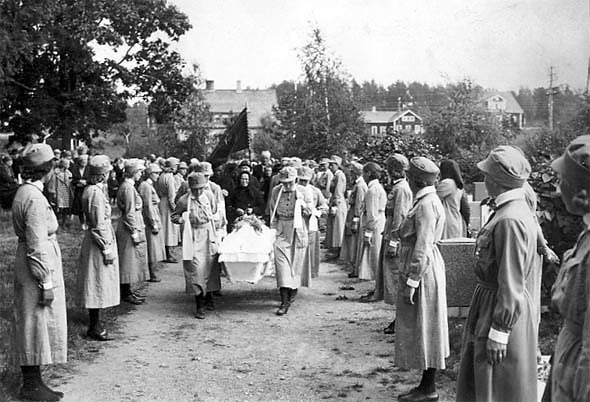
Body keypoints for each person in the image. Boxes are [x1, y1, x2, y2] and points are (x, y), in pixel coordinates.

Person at [455, 146, 538, 402]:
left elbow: (511, 280)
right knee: (489, 382)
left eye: (487, 174)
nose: (484, 179)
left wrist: (500, 332)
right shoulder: (509, 211)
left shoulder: (509, 219)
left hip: (499, 304)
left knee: (496, 385)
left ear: (496, 180)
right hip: (493, 301)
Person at [12, 143, 67, 401]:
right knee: (34, 320)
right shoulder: (33, 198)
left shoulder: (27, 192)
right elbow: (36, 243)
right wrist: (45, 280)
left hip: (33, 262)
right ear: (48, 169)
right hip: (35, 265)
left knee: (35, 321)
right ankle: (31, 385)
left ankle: (36, 381)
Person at [395, 156, 448, 402]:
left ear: (415, 180)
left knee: (427, 325)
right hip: (425, 265)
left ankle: (429, 388)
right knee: (424, 325)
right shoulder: (427, 200)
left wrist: (412, 281)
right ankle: (426, 385)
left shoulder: (426, 204)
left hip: (424, 269)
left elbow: (423, 245)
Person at [541, 137, 590, 402]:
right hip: (568, 360)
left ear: (583, 190)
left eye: (564, 181)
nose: (559, 190)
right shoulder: (586, 233)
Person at [77, 155, 120, 342]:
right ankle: (95, 325)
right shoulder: (94, 193)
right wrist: (106, 247)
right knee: (97, 280)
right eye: (107, 172)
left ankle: (97, 322)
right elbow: (98, 223)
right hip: (97, 242)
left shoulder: (96, 190)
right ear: (101, 175)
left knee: (99, 280)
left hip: (98, 239)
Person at [171, 172, 218, 319]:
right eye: (195, 189)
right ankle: (199, 303)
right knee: (196, 268)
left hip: (208, 233)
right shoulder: (184, 200)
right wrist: (182, 220)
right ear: (190, 188)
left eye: (201, 189)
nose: (198, 192)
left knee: (210, 266)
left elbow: (215, 210)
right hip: (193, 235)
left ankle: (209, 296)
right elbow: (174, 216)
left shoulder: (209, 196)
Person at [375, 154, 413, 333]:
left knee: (396, 278)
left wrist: (394, 241)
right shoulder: (397, 187)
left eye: (389, 168)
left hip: (394, 238)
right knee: (391, 279)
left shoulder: (402, 189)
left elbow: (400, 216)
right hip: (389, 233)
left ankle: (401, 320)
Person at [268, 166, 310, 315]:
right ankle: (284, 301)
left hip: (297, 229)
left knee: (295, 263)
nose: (286, 186)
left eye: (289, 183)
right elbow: (273, 212)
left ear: (296, 180)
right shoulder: (276, 191)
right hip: (281, 228)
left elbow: (313, 210)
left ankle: (293, 289)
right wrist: (272, 231)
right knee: (281, 266)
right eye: (283, 182)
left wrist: (306, 209)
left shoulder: (304, 192)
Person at [116, 159, 149, 305]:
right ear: (134, 172)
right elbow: (129, 213)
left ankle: (128, 291)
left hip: (129, 226)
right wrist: (134, 232)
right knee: (128, 261)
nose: (141, 174)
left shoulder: (127, 186)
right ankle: (125, 292)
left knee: (129, 260)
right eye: (139, 171)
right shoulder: (128, 188)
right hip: (129, 228)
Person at [356, 162, 387, 283]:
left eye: (364, 173)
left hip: (375, 224)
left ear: (368, 173)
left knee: (374, 253)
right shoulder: (375, 187)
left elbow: (372, 214)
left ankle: (376, 283)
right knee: (373, 252)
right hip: (377, 221)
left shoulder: (373, 190)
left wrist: (368, 232)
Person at [298, 166, 328, 286]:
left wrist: (317, 212)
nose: (304, 183)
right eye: (301, 180)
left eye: (306, 181)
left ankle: (310, 273)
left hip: (311, 223)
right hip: (298, 223)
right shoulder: (294, 190)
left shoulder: (315, 191)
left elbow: (324, 206)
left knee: (311, 248)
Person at [139, 163, 166, 283]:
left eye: (158, 173)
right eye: (155, 173)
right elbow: (147, 206)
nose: (157, 175)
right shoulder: (146, 186)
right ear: (149, 174)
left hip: (154, 214)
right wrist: (153, 222)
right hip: (150, 218)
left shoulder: (149, 185)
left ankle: (152, 271)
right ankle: (151, 272)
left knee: (155, 245)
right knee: (152, 247)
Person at [340, 162, 367, 278]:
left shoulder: (360, 186)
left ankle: (355, 267)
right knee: (351, 241)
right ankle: (353, 266)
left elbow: (359, 203)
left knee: (354, 242)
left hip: (354, 215)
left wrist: (355, 220)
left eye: (351, 172)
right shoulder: (357, 184)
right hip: (351, 213)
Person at [156, 157, 180, 263]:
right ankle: (170, 254)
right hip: (168, 205)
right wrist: (175, 209)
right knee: (170, 230)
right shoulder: (170, 177)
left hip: (162, 202)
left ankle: (165, 252)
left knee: (165, 228)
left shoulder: (161, 176)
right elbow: (171, 196)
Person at [436, 159, 467, 239]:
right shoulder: (457, 184)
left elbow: (435, 198)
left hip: (447, 220)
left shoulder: (447, 183)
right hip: (455, 219)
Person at [325, 155, 347, 260]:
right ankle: (333, 248)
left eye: (332, 164)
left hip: (338, 202)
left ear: (337, 165)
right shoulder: (335, 175)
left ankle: (337, 249)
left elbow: (338, 191)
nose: (330, 167)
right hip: (334, 201)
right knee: (333, 226)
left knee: (338, 227)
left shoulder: (340, 175)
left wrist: (335, 205)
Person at [50, 159, 73, 229]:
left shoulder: (68, 172)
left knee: (65, 208)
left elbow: (70, 181)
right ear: (64, 165)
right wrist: (53, 192)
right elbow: (53, 183)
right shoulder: (55, 173)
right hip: (58, 191)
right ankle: (55, 222)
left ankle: (63, 222)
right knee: (58, 208)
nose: (69, 165)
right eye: (68, 164)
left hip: (66, 192)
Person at [70, 154, 89, 229]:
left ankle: (88, 222)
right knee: (80, 207)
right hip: (78, 190)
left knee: (87, 206)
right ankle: (82, 223)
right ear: (80, 162)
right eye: (83, 161)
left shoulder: (89, 169)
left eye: (85, 161)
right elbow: (72, 180)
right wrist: (78, 181)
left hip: (87, 190)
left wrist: (86, 182)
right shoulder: (75, 169)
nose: (84, 162)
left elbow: (91, 179)